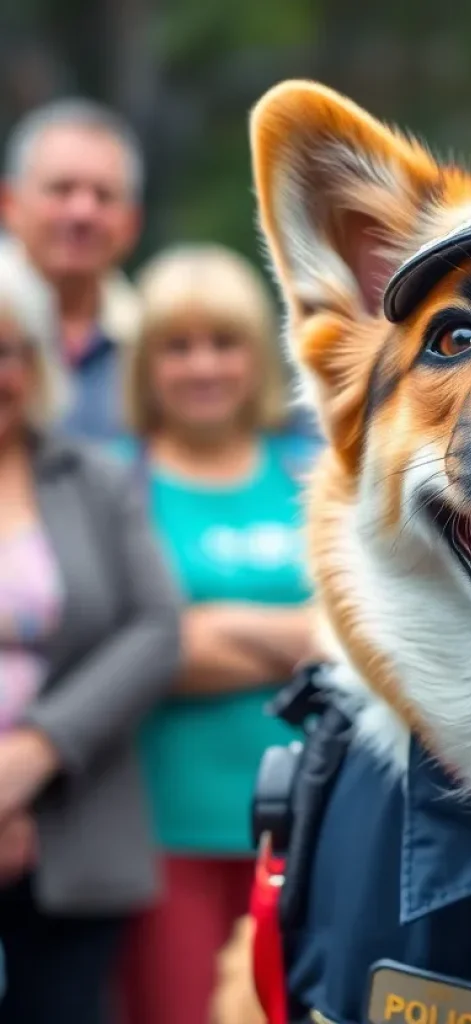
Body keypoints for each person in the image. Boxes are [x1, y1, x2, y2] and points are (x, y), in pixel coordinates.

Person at [115, 243, 319, 1024]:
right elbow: (123, 654)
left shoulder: (309, 474)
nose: (203, 367)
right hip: (163, 834)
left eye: (224, 343)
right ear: (145, 364)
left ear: (257, 357)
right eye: (178, 346)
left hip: (305, 826)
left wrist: (208, 628)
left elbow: (357, 634)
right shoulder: (110, 481)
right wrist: (299, 634)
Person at [0, 240, 180, 1024]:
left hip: (75, 833)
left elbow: (156, 628)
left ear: (38, 363)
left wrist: (35, 754)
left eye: (6, 350)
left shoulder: (96, 477)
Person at [1, 98, 143, 440]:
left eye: (104, 195)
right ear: (9, 204)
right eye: (61, 190)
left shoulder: (157, 344)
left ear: (132, 222)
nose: (82, 212)